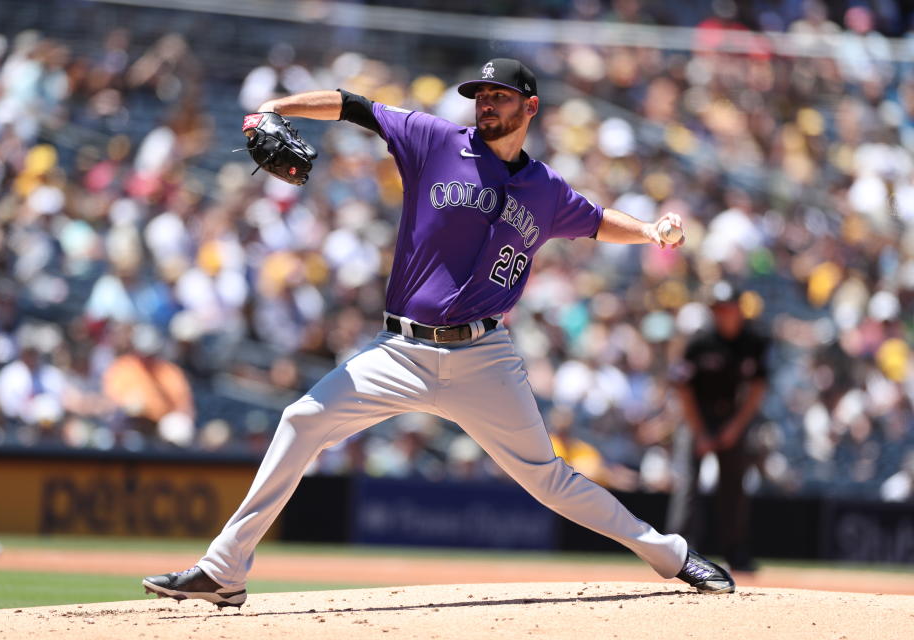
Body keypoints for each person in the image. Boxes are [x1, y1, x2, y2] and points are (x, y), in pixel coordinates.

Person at [142, 58, 735, 608]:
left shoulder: (546, 190)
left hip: (484, 356)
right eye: (480, 95)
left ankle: (672, 555)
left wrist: (653, 231)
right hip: (400, 350)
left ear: (530, 107)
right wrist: (278, 105)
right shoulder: (433, 139)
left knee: (549, 478)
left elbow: (601, 221)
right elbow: (354, 105)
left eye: (499, 96)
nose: (485, 104)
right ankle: (225, 569)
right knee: (301, 419)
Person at [666, 280, 770, 572]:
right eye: (718, 309)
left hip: (732, 419)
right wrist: (700, 432)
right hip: (697, 417)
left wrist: (735, 428)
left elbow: (757, 389)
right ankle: (680, 554)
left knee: (734, 487)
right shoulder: (699, 342)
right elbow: (683, 389)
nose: (723, 314)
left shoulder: (753, 341)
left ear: (739, 310)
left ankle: (737, 553)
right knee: (688, 486)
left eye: (728, 308)